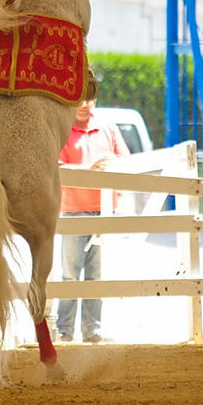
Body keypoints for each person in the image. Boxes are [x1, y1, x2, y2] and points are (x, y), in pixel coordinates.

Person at [56, 95, 130, 343]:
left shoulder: (108, 128)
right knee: (70, 274)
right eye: (79, 98)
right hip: (74, 209)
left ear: (96, 99)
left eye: (89, 98)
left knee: (95, 276)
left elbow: (125, 160)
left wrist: (113, 168)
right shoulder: (62, 129)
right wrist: (89, 172)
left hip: (104, 209)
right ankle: (65, 331)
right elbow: (55, 167)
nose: (84, 104)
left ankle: (92, 331)